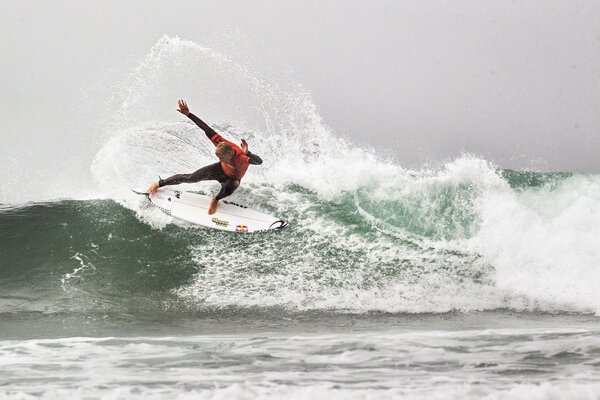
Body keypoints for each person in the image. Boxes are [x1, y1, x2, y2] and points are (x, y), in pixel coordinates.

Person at [147, 99, 262, 214]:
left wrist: (248, 153)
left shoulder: (243, 157)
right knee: (190, 178)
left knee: (231, 187)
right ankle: (159, 183)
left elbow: (259, 161)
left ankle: (216, 200)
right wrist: (189, 114)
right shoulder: (221, 144)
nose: (219, 159)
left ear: (229, 153)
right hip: (218, 170)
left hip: (233, 178)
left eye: (221, 158)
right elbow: (206, 128)